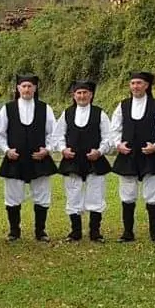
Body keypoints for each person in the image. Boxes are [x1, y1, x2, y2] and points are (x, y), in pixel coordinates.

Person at [0, 74, 58, 242]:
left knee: (42, 196)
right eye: (23, 86)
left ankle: (40, 231)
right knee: (12, 196)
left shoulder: (45, 108)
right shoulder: (7, 109)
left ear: (35, 88)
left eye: (30, 86)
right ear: (18, 88)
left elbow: (53, 133)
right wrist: (6, 150)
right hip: (14, 159)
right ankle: (14, 232)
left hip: (39, 159)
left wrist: (47, 150)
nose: (27, 89)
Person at [110, 71, 155, 242]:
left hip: (150, 155)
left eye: (139, 83)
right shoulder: (122, 106)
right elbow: (114, 129)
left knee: (153, 194)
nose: (135, 86)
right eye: (133, 83)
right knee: (127, 194)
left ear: (146, 85)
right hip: (128, 155)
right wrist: (118, 144)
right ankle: (128, 233)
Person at [55, 80, 113, 242]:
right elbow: (58, 136)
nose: (82, 96)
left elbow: (108, 137)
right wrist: (63, 149)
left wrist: (100, 151)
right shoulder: (67, 114)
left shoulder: (100, 114)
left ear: (91, 95)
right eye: (79, 93)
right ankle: (75, 232)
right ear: (74, 95)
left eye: (85, 93)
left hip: (95, 161)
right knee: (73, 195)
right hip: (72, 161)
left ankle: (95, 233)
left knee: (96, 194)